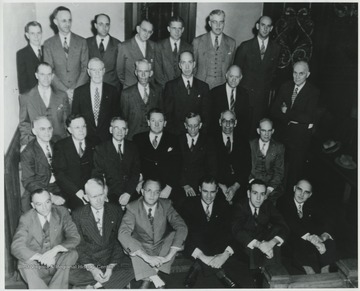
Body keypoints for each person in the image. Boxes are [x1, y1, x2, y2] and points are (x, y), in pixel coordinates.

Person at [118, 179, 188, 289]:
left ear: (160, 193)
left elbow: (182, 226)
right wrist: (146, 257)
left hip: (160, 247)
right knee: (130, 242)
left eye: (156, 192)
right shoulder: (132, 207)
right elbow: (122, 233)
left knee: (175, 235)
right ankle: (154, 276)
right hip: (142, 248)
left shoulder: (166, 204)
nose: (152, 195)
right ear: (142, 191)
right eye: (149, 190)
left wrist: (169, 256)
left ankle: (150, 274)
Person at [69, 178, 134, 288]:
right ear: (86, 198)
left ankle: (96, 286)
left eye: (101, 195)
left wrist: (110, 267)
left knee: (135, 265)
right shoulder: (77, 215)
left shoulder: (115, 210)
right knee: (68, 274)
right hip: (89, 262)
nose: (99, 200)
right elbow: (79, 246)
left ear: (105, 193)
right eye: (94, 197)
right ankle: (113, 282)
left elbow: (119, 242)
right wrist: (93, 269)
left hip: (111, 260)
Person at [11, 189, 80, 289]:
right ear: (33, 205)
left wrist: (56, 250)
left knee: (72, 254)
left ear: (51, 200)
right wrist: (40, 257)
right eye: (39, 204)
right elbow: (16, 246)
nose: (44, 208)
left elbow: (74, 237)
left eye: (47, 202)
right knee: (23, 263)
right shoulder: (26, 218)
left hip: (58, 263)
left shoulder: (62, 212)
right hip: (37, 266)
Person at [270, 61, 319, 192]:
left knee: (293, 173)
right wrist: (296, 119)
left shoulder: (313, 92)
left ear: (308, 74)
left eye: (301, 74)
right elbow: (274, 111)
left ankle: (288, 199)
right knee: (277, 168)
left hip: (299, 138)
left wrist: (287, 112)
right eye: (295, 73)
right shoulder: (285, 86)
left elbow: (309, 117)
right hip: (282, 134)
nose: (297, 77)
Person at [182, 176, 239, 288]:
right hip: (196, 244)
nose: (209, 196)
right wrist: (203, 257)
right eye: (205, 191)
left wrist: (224, 256)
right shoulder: (188, 205)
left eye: (212, 192)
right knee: (190, 236)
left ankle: (197, 266)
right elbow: (187, 234)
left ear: (217, 190)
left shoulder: (224, 206)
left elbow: (230, 232)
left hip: (215, 244)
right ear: (199, 189)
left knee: (223, 235)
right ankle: (221, 274)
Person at [232, 180, 288, 286]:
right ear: (248, 194)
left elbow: (283, 225)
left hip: (264, 240)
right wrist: (259, 245)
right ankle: (270, 276)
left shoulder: (267, 205)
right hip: (246, 243)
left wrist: (271, 243)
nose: (258, 198)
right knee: (254, 244)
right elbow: (237, 231)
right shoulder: (240, 206)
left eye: (262, 194)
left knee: (276, 230)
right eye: (255, 193)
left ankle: (267, 277)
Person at [234, 16, 280, 137]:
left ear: (271, 29)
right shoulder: (245, 47)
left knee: (256, 132)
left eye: (268, 26)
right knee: (241, 131)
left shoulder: (276, 49)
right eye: (263, 25)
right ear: (257, 26)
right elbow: (236, 73)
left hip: (262, 99)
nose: (265, 28)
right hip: (245, 97)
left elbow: (273, 74)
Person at [278, 179, 337, 274]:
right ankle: (309, 272)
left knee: (330, 242)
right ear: (294, 188)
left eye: (306, 192)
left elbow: (327, 220)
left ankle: (325, 271)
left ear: (310, 195)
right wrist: (310, 238)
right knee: (298, 242)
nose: (301, 194)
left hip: (310, 240)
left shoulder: (313, 203)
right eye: (299, 189)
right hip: (290, 240)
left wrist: (322, 237)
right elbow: (291, 223)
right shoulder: (283, 201)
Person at [133, 108, 181, 204]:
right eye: (153, 120)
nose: (156, 124)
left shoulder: (173, 139)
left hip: (167, 186)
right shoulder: (138, 139)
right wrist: (139, 181)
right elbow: (135, 164)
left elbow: (178, 164)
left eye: (160, 121)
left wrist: (169, 187)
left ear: (165, 123)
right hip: (145, 186)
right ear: (148, 122)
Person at [19, 62, 70, 150]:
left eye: (49, 74)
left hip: (60, 143)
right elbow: (24, 123)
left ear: (52, 76)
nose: (46, 78)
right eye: (42, 74)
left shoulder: (62, 95)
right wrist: (25, 143)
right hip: (37, 144)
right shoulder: (26, 97)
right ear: (36, 75)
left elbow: (67, 121)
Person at [44, 6, 88, 104]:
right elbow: (49, 71)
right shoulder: (48, 44)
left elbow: (85, 68)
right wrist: (66, 90)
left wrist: (76, 90)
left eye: (69, 20)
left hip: (79, 92)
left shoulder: (82, 42)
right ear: (55, 22)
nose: (68, 24)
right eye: (63, 21)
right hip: (58, 94)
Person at [92, 117, 140, 207]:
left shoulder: (133, 147)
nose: (119, 131)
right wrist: (104, 193)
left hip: (129, 192)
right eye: (116, 128)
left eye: (123, 129)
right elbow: (97, 175)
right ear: (111, 130)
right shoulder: (101, 149)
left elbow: (135, 173)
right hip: (110, 194)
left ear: (126, 131)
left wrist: (128, 193)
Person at [20, 116, 65, 212]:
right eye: (42, 129)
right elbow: (28, 181)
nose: (47, 132)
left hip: (60, 186)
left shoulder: (57, 143)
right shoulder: (28, 152)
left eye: (49, 128)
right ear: (34, 131)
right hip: (40, 189)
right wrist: (50, 196)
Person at [72, 57, 120, 145]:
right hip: (86, 138)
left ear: (104, 71)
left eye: (100, 70)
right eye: (94, 70)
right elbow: (75, 117)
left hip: (106, 139)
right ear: (88, 72)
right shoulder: (79, 92)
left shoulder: (112, 91)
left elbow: (116, 116)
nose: (97, 73)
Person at [52, 114, 95, 211]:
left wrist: (93, 189)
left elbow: (97, 169)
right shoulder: (61, 146)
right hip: (70, 191)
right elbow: (60, 174)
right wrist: (76, 191)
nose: (81, 130)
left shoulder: (94, 143)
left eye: (83, 126)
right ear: (69, 130)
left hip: (91, 189)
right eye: (77, 127)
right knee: (81, 211)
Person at [163, 51, 210, 135]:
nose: (187, 66)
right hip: (177, 134)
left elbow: (206, 115)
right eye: (183, 62)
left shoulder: (203, 87)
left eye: (190, 62)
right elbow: (168, 116)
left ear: (194, 64)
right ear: (180, 65)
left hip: (197, 134)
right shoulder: (170, 86)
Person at [214, 110, 251, 203]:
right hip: (217, 187)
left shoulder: (243, 141)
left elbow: (247, 167)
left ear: (235, 123)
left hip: (238, 188)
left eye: (231, 121)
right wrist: (221, 185)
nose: (227, 124)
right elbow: (209, 167)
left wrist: (235, 187)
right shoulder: (211, 141)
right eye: (224, 121)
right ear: (219, 122)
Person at [192, 9, 236, 89]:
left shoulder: (231, 43)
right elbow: (193, 67)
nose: (218, 25)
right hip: (201, 86)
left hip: (222, 87)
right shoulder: (197, 41)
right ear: (209, 23)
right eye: (215, 22)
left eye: (221, 22)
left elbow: (231, 66)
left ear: (224, 23)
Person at [178, 112, 217, 202]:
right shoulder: (178, 140)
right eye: (189, 125)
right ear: (185, 125)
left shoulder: (208, 141)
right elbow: (176, 165)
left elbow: (212, 167)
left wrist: (204, 188)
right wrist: (184, 184)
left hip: (201, 187)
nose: (192, 129)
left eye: (195, 126)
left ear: (200, 125)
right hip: (181, 185)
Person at [120, 59, 163, 140]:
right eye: (140, 71)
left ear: (151, 73)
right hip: (133, 138)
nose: (143, 75)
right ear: (136, 72)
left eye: (146, 71)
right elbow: (124, 120)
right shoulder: (126, 94)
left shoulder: (158, 91)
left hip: (152, 138)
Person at [249, 118, 285, 204]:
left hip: (270, 185)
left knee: (269, 208)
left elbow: (279, 172)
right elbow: (244, 168)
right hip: (252, 182)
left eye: (269, 131)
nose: (266, 134)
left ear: (273, 131)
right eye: (263, 131)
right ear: (258, 131)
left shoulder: (278, 147)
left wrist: (268, 191)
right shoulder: (250, 145)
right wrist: (252, 183)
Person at [209, 65, 251, 137]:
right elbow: (211, 119)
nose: (234, 80)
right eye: (231, 76)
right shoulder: (215, 93)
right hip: (217, 135)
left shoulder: (245, 94)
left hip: (238, 136)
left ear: (241, 78)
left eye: (237, 77)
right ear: (226, 76)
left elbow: (246, 120)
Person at [154, 16, 193, 88]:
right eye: (174, 28)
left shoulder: (188, 47)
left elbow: (190, 70)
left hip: (182, 88)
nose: (177, 32)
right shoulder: (159, 46)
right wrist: (167, 88)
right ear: (168, 29)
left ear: (183, 30)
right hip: (164, 88)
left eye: (179, 28)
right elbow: (157, 72)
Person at [87, 14, 122, 92]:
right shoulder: (86, 43)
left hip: (112, 88)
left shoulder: (118, 44)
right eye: (101, 24)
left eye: (107, 24)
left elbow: (121, 71)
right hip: (92, 88)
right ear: (95, 25)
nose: (104, 27)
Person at [116, 19, 155, 89]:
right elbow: (120, 73)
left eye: (149, 32)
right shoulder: (124, 46)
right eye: (144, 30)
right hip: (130, 89)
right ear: (138, 29)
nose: (146, 34)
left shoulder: (153, 46)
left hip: (148, 89)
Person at [17, 21, 43, 94]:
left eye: (38, 33)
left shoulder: (47, 50)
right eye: (32, 33)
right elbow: (22, 82)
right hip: (32, 96)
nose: (36, 36)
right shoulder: (22, 54)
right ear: (27, 35)